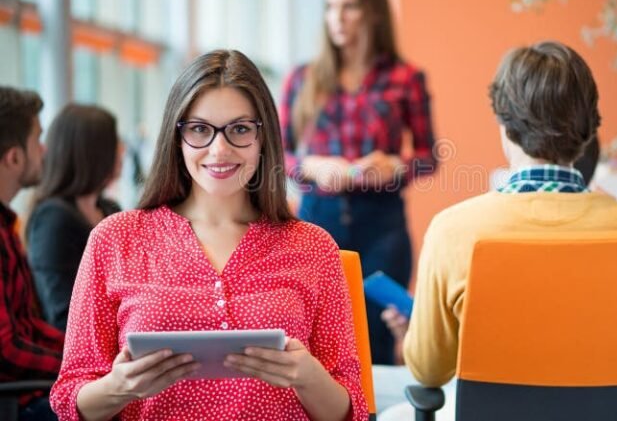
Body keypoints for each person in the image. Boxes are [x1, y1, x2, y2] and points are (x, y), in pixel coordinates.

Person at [50, 50, 367, 421]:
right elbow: (69, 397)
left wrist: (310, 379)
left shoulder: (313, 248)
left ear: (263, 137)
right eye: (200, 129)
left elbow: (352, 410)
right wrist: (118, 388)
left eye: (240, 129)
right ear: (177, 137)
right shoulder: (116, 238)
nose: (220, 149)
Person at [376, 42, 617, 420]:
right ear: (589, 131)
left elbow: (427, 370)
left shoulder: (454, 232)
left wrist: (416, 331)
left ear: (505, 126)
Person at [279, 0, 437, 365]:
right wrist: (311, 165)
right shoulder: (302, 78)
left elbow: (428, 155)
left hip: (382, 225)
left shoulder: (406, 78)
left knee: (378, 344)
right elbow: (274, 155)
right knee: (313, 342)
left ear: (374, 12)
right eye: (330, 7)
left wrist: (395, 168)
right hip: (318, 222)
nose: (337, 18)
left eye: (349, 6)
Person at [26, 104, 122, 331]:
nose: (121, 153)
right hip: (77, 351)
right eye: (113, 145)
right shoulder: (53, 219)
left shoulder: (110, 209)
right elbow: (62, 313)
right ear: (94, 154)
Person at [0, 86, 64, 421]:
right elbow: (5, 351)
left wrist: (86, 350)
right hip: (18, 403)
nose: (43, 150)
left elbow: (28, 326)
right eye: (37, 139)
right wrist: (76, 364)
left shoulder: (7, 227)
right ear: (14, 156)